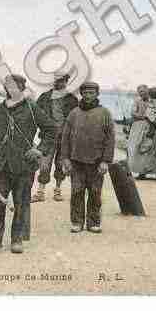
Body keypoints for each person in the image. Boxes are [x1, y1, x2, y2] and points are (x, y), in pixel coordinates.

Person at [0, 74, 56, 256]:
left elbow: (51, 130)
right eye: (8, 86)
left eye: (15, 86)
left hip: (23, 166)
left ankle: (17, 240)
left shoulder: (32, 108)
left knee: (21, 204)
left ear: (22, 88)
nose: (11, 89)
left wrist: (40, 149)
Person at [61, 82, 115, 234]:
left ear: (97, 94)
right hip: (76, 161)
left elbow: (110, 139)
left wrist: (106, 161)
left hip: (97, 162)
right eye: (85, 92)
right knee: (77, 192)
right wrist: (65, 158)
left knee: (95, 192)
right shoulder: (74, 113)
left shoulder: (104, 113)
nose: (88, 95)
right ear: (81, 94)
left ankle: (94, 222)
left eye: (92, 93)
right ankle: (77, 222)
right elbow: (65, 137)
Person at [32, 71, 78, 202]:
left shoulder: (72, 99)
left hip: (65, 137)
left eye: (61, 80)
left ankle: (57, 191)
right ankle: (40, 192)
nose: (58, 83)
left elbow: (76, 119)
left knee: (60, 164)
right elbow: (35, 114)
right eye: (56, 80)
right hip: (48, 136)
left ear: (66, 81)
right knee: (44, 164)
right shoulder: (45, 97)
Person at [127, 85, 151, 178]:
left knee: (146, 147)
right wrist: (143, 116)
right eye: (140, 91)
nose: (142, 93)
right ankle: (132, 169)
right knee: (133, 146)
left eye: (144, 91)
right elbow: (133, 113)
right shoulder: (137, 101)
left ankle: (143, 172)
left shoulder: (152, 101)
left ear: (147, 91)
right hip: (137, 126)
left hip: (149, 126)